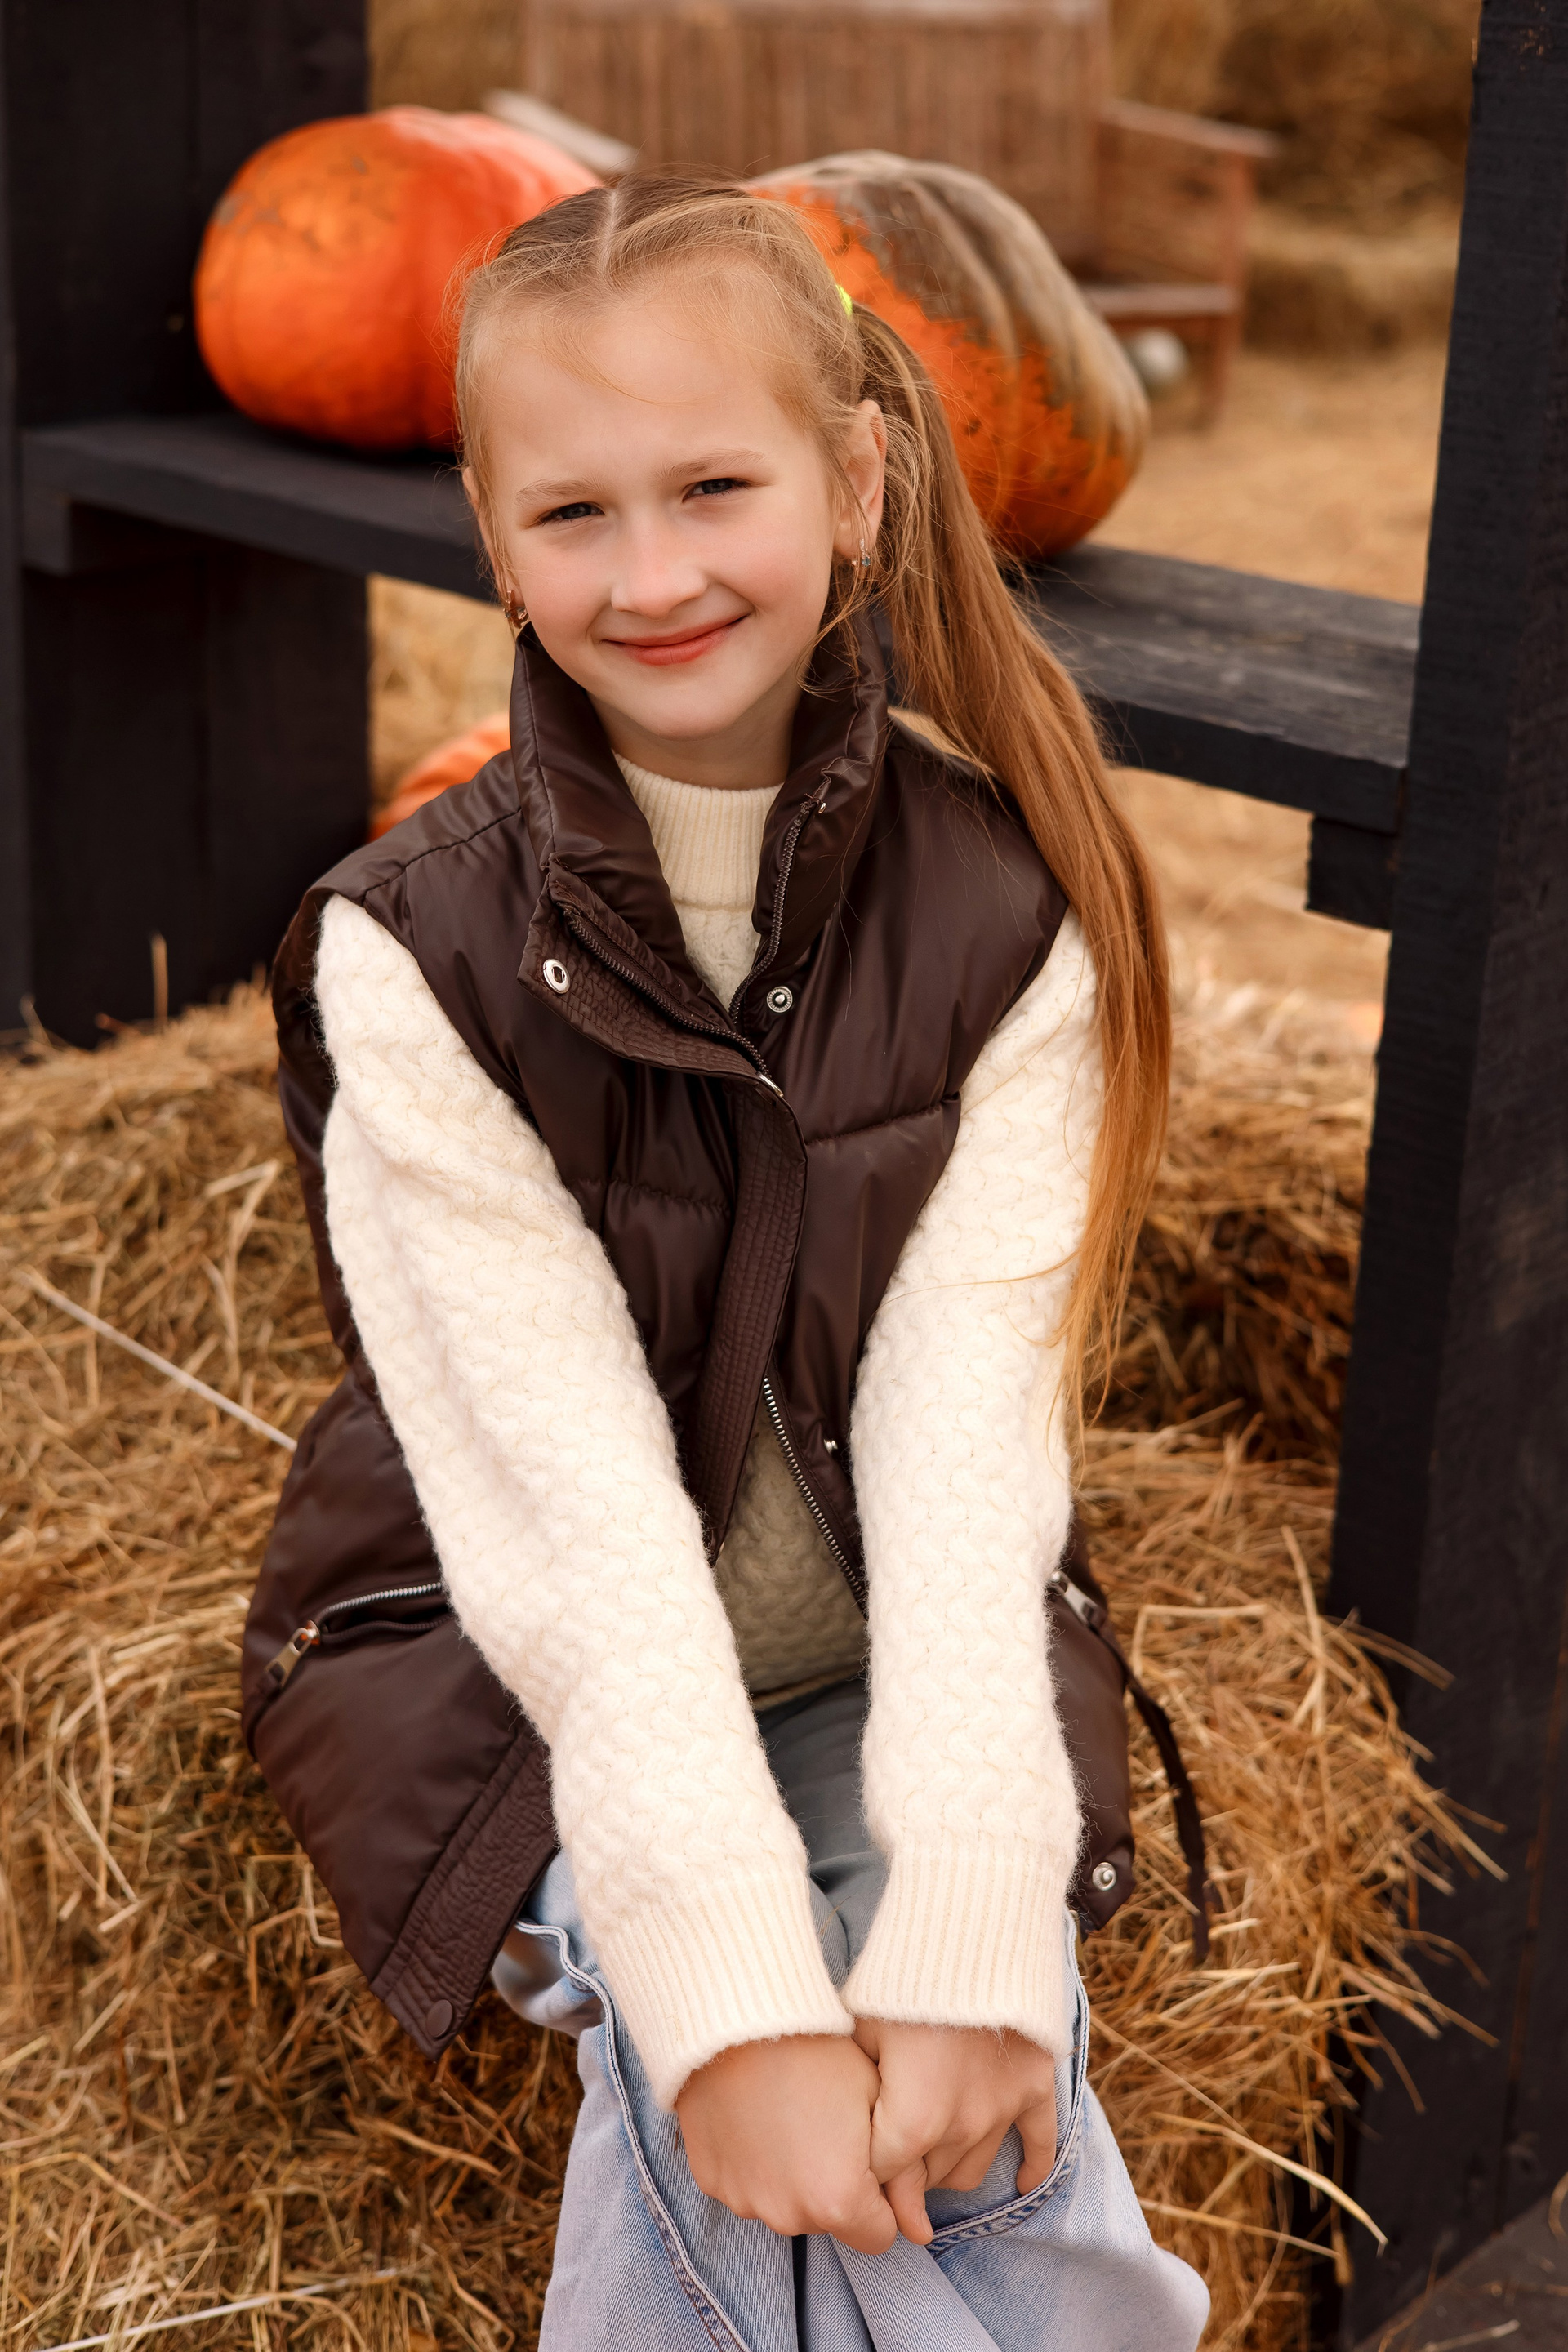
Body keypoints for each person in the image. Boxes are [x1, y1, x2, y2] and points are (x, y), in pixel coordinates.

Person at [272, 172, 1209, 2349]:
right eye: (576, 513)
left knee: (962, 2076)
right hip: (506, 1661)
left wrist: (974, 1924)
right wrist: (728, 2006)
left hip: (883, 1640)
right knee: (760, 2088)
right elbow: (577, 1521)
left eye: (715, 487)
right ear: (494, 540)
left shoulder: (1011, 906)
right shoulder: (405, 950)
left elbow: (963, 1441)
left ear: (855, 482)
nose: (657, 574)